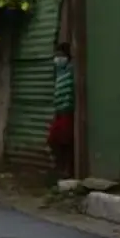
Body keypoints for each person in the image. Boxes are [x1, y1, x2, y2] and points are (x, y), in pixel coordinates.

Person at [47, 41, 75, 178]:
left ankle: (67, 170)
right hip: (59, 111)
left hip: (67, 111)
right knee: (53, 140)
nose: (57, 58)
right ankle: (60, 167)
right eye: (56, 55)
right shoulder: (59, 72)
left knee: (65, 141)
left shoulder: (71, 70)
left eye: (60, 55)